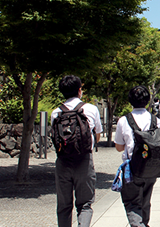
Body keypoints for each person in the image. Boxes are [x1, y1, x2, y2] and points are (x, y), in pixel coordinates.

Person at [51, 75, 103, 227]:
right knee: (85, 204)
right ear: (80, 90)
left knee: (64, 206)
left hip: (63, 162)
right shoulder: (91, 109)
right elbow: (97, 135)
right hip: (84, 160)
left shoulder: (56, 113)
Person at [114, 86, 160, 227]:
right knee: (145, 199)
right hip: (152, 167)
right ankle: (145, 223)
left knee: (132, 201)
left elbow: (119, 147)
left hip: (132, 167)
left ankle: (139, 224)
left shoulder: (123, 121)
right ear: (147, 100)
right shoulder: (157, 121)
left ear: (130, 100)